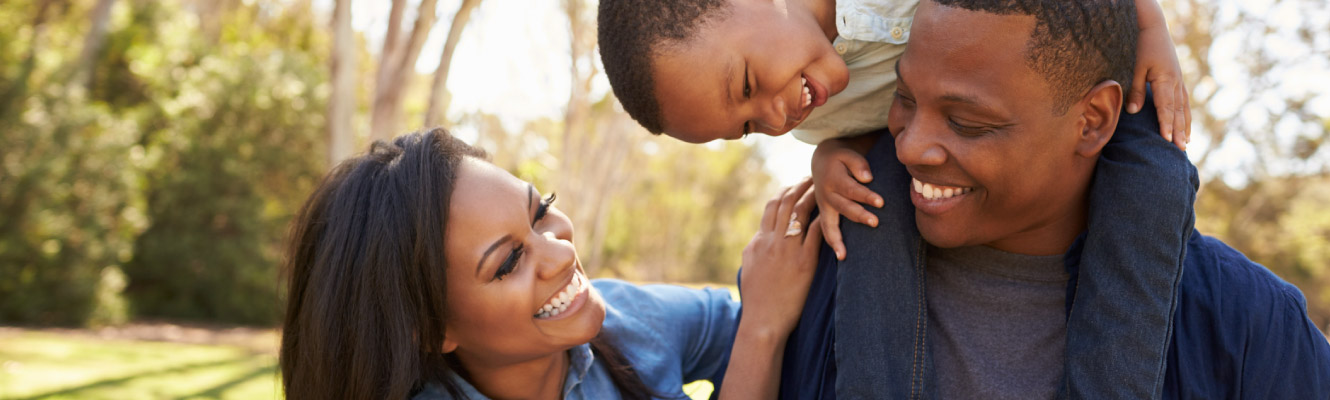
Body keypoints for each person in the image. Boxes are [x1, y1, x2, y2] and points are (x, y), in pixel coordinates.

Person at [598, 0, 1196, 395]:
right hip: (937, 150)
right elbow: (870, 131)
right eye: (749, 127)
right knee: (870, 201)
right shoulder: (813, 111)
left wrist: (1148, 27)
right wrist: (827, 154)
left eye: (749, 85)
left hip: (1079, 88)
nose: (776, 116)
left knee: (1157, 174)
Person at [784, 0, 1330, 398]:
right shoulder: (806, 277)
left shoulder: (1247, 327)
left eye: (967, 122)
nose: (910, 147)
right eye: (904, 98)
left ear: (1093, 121)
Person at [278, 129, 825, 399]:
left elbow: (796, 333)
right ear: (431, 329)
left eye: (541, 212)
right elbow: (759, 324)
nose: (562, 253)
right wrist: (761, 331)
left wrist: (836, 162)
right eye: (509, 261)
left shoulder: (624, 319)